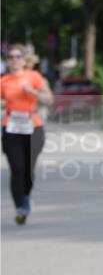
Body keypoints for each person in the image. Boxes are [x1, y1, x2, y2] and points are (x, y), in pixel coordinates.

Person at [1, 43, 53, 225]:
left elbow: (49, 99)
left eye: (18, 57)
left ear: (24, 60)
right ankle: (21, 208)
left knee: (28, 171)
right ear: (7, 61)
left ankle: (26, 196)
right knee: (17, 169)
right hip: (11, 127)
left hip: (33, 127)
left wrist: (33, 91)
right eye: (10, 57)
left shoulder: (34, 77)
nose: (14, 60)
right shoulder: (3, 81)